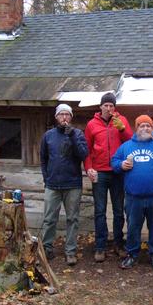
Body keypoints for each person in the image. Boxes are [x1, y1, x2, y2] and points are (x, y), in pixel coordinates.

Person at [111, 115, 153, 272]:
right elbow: (114, 162)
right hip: (133, 197)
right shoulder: (126, 146)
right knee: (133, 227)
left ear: (152, 128)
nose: (145, 128)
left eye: (148, 126)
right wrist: (121, 164)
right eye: (141, 125)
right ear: (136, 128)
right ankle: (132, 254)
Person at [84, 92, 133, 262]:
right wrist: (89, 168)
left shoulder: (122, 120)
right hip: (100, 172)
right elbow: (87, 150)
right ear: (101, 107)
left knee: (119, 211)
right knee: (100, 211)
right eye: (106, 105)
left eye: (111, 106)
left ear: (114, 107)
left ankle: (118, 244)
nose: (108, 108)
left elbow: (130, 141)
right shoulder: (91, 124)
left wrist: (122, 128)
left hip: (118, 171)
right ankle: (100, 247)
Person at [40, 104, 89, 266]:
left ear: (71, 117)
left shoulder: (78, 134)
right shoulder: (48, 136)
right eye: (61, 114)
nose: (64, 117)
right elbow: (43, 159)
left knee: (72, 219)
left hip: (73, 184)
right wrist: (47, 178)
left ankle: (70, 251)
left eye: (67, 115)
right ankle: (46, 248)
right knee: (49, 219)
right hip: (52, 184)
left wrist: (73, 136)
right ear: (56, 117)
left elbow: (83, 154)